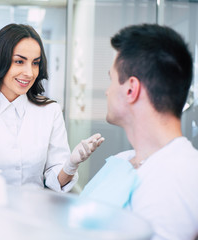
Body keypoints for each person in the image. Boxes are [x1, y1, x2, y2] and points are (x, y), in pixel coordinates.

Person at [0, 23, 104, 192]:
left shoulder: (51, 112)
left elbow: (54, 179)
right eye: (19, 61)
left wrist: (71, 165)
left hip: (33, 214)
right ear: (0, 62)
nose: (29, 73)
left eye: (35, 63)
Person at [79, 24, 198, 240]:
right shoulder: (122, 161)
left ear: (131, 89)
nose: (107, 91)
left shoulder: (178, 180)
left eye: (111, 79)